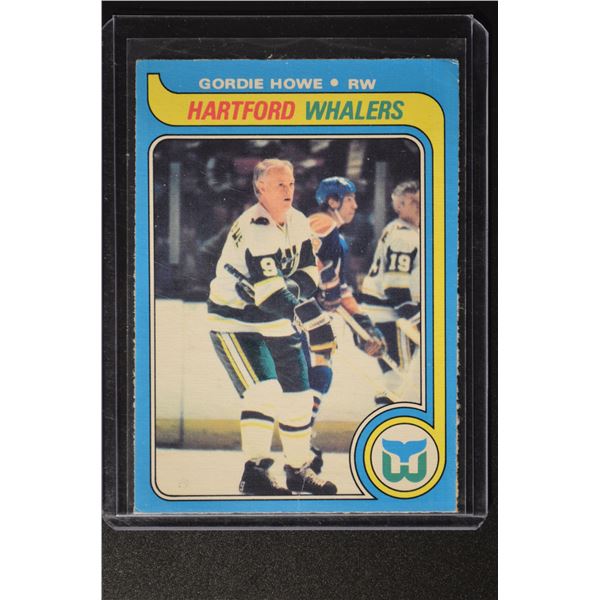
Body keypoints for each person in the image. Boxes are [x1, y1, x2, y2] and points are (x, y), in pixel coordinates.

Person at [207, 158, 338, 495]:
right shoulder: (255, 226)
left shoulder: (297, 221)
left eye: (291, 183)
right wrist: (309, 314)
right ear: (260, 188)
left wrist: (287, 290)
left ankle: (298, 470)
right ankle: (255, 472)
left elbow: (309, 276)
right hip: (234, 323)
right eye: (280, 184)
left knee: (299, 397)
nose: (288, 190)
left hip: (276, 320)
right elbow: (270, 295)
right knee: (264, 392)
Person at [305, 177, 386, 471]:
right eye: (349, 198)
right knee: (314, 377)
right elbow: (304, 255)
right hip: (299, 314)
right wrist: (326, 283)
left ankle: (301, 440)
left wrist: (362, 322)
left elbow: (339, 289)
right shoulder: (320, 223)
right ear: (333, 201)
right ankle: (299, 444)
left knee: (319, 376)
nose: (355, 205)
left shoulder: (336, 236)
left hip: (312, 316)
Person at [360, 181, 421, 405]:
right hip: (392, 315)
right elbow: (394, 286)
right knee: (398, 377)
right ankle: (388, 419)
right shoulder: (404, 236)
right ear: (400, 205)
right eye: (413, 201)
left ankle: (386, 415)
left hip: (384, 313)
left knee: (395, 376)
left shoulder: (399, 230)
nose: (420, 205)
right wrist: (416, 320)